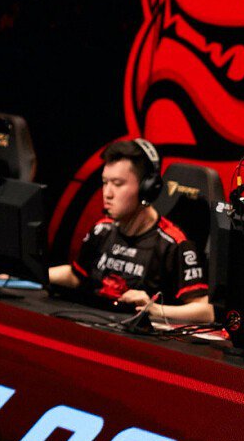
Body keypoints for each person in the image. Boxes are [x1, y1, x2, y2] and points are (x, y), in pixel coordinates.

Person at [47, 139, 213, 325]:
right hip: (93, 323)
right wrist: (33, 273)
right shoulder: (102, 230)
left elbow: (206, 311)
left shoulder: (174, 245)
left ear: (146, 189)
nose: (107, 193)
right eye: (105, 183)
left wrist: (156, 309)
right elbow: (76, 276)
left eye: (117, 184)